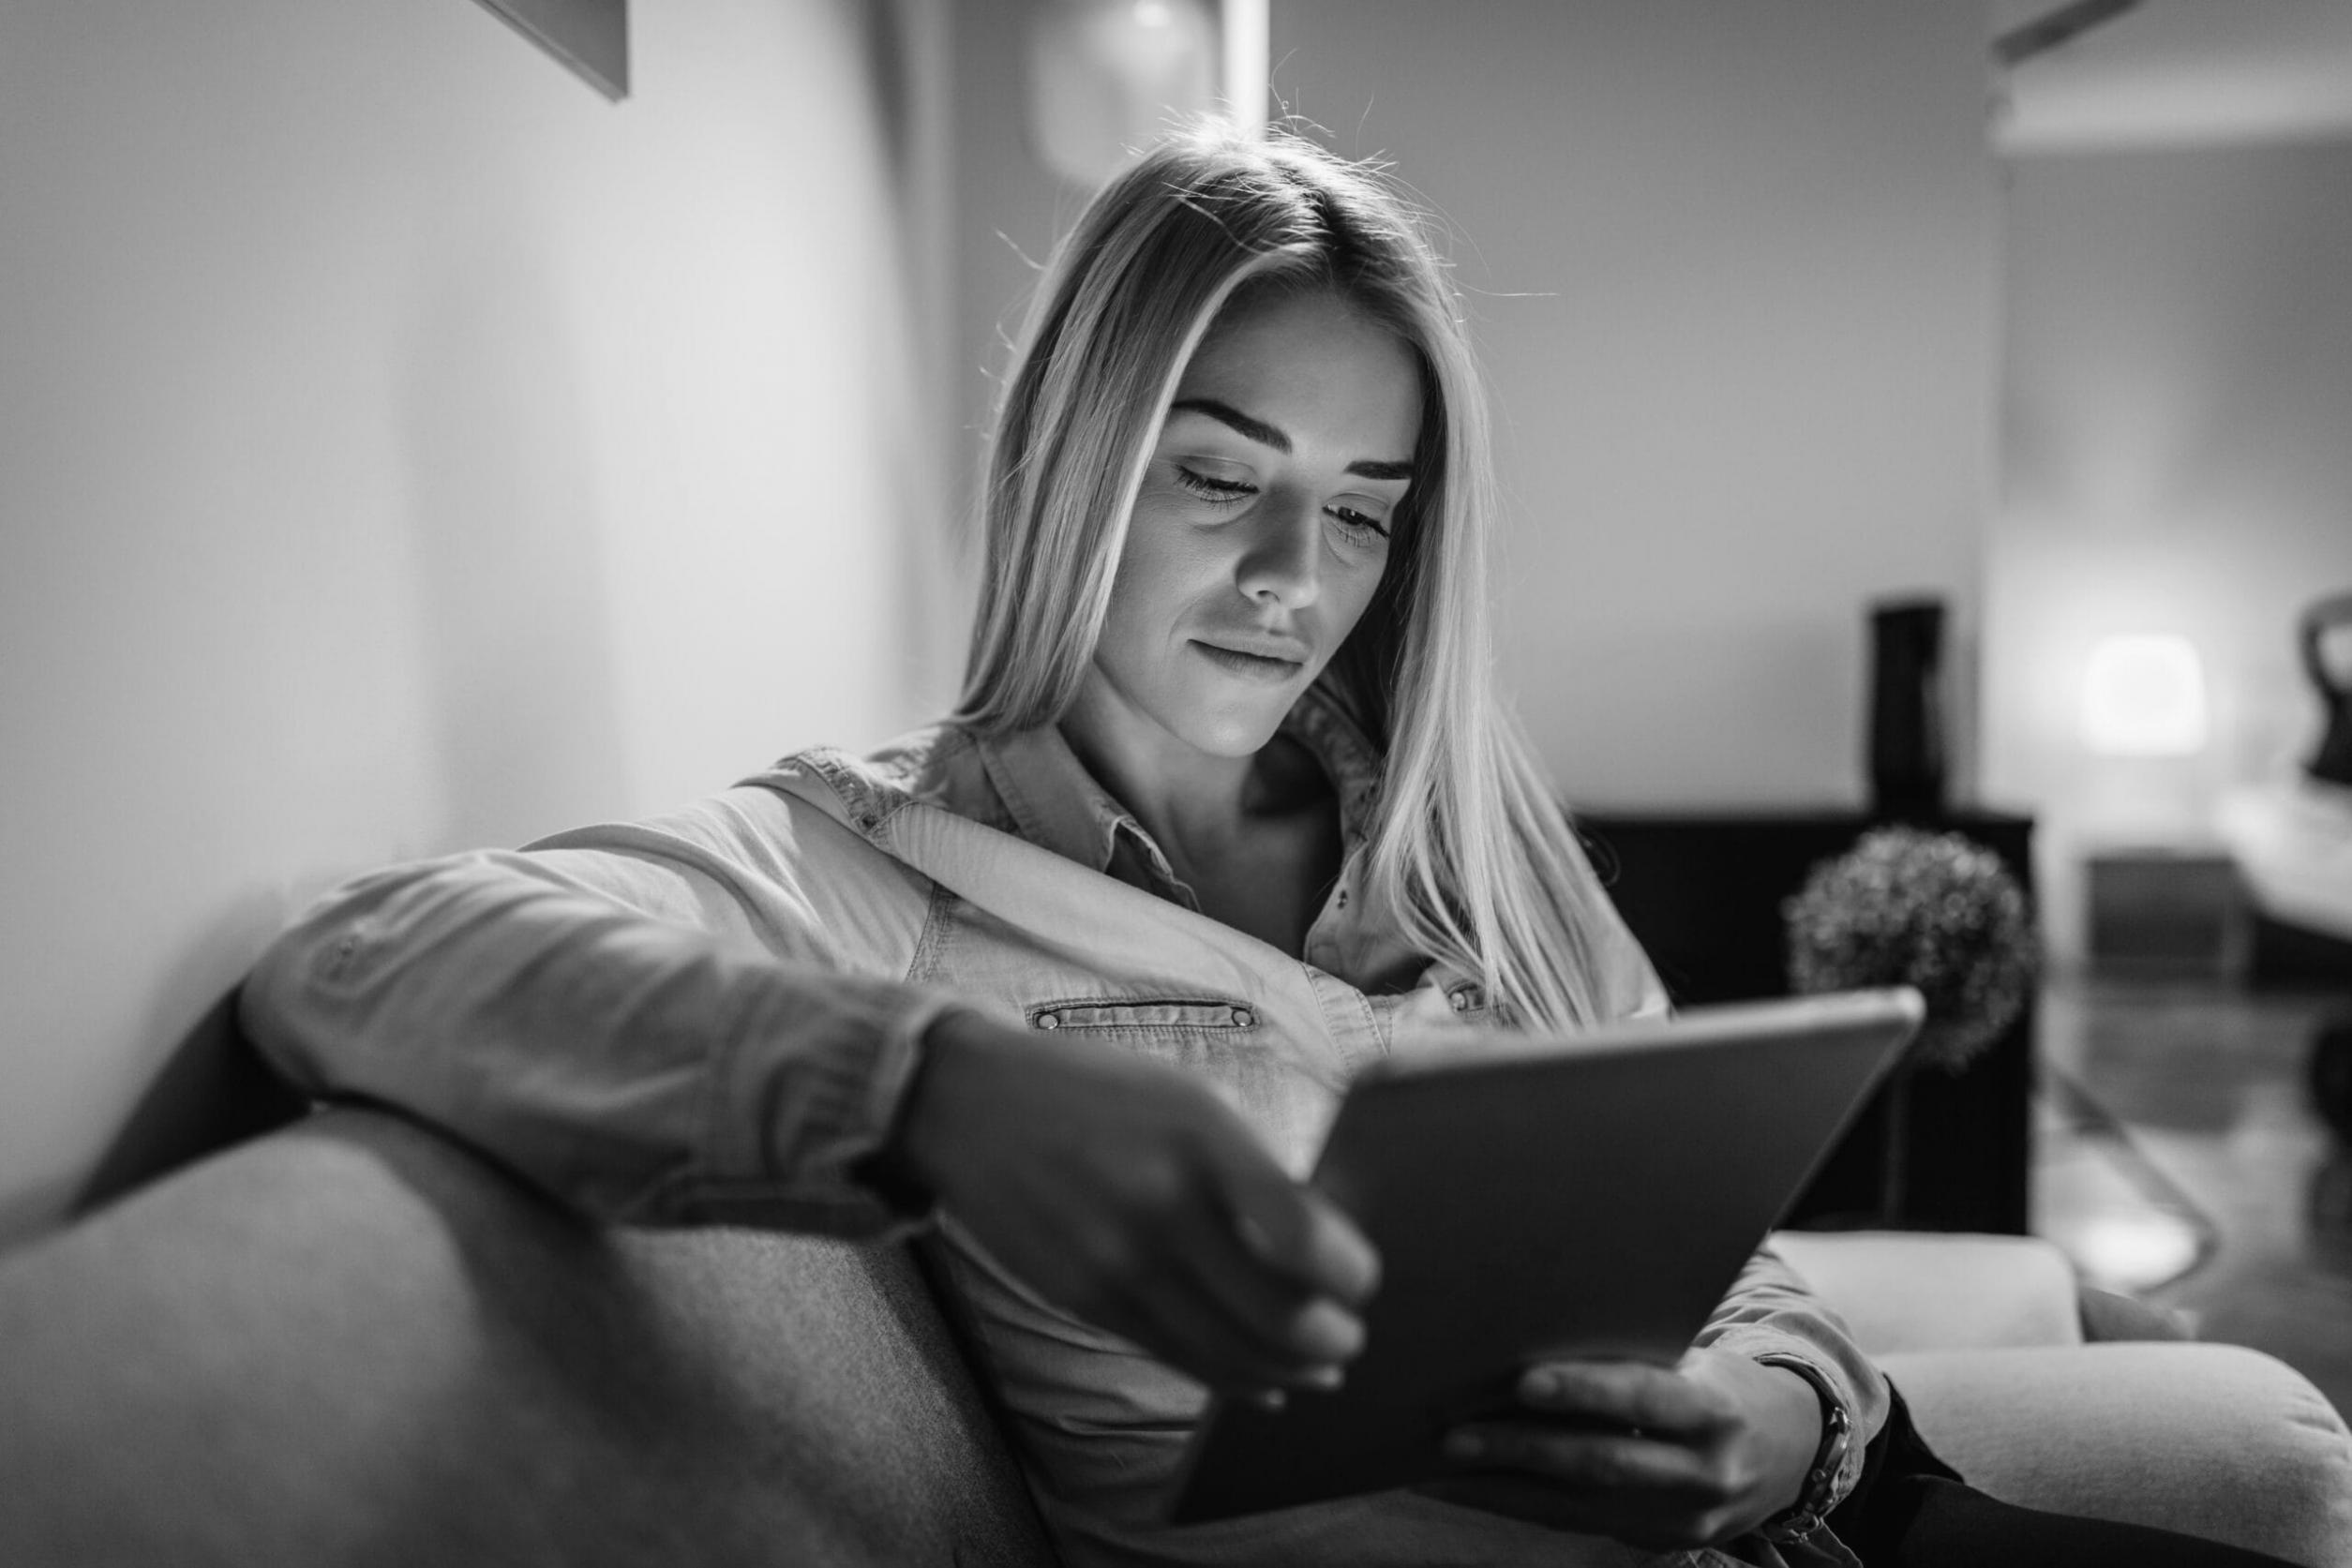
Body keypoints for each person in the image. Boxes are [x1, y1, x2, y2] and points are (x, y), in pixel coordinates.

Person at [240, 125, 2297, 1568]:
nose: (1294, 577)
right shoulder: (866, 870)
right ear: (1072, 457)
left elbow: (1721, 1258)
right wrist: (933, 1093)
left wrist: (1772, 1420)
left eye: (1368, 506)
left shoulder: (1448, 834)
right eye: (1218, 477)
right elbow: (356, 956)